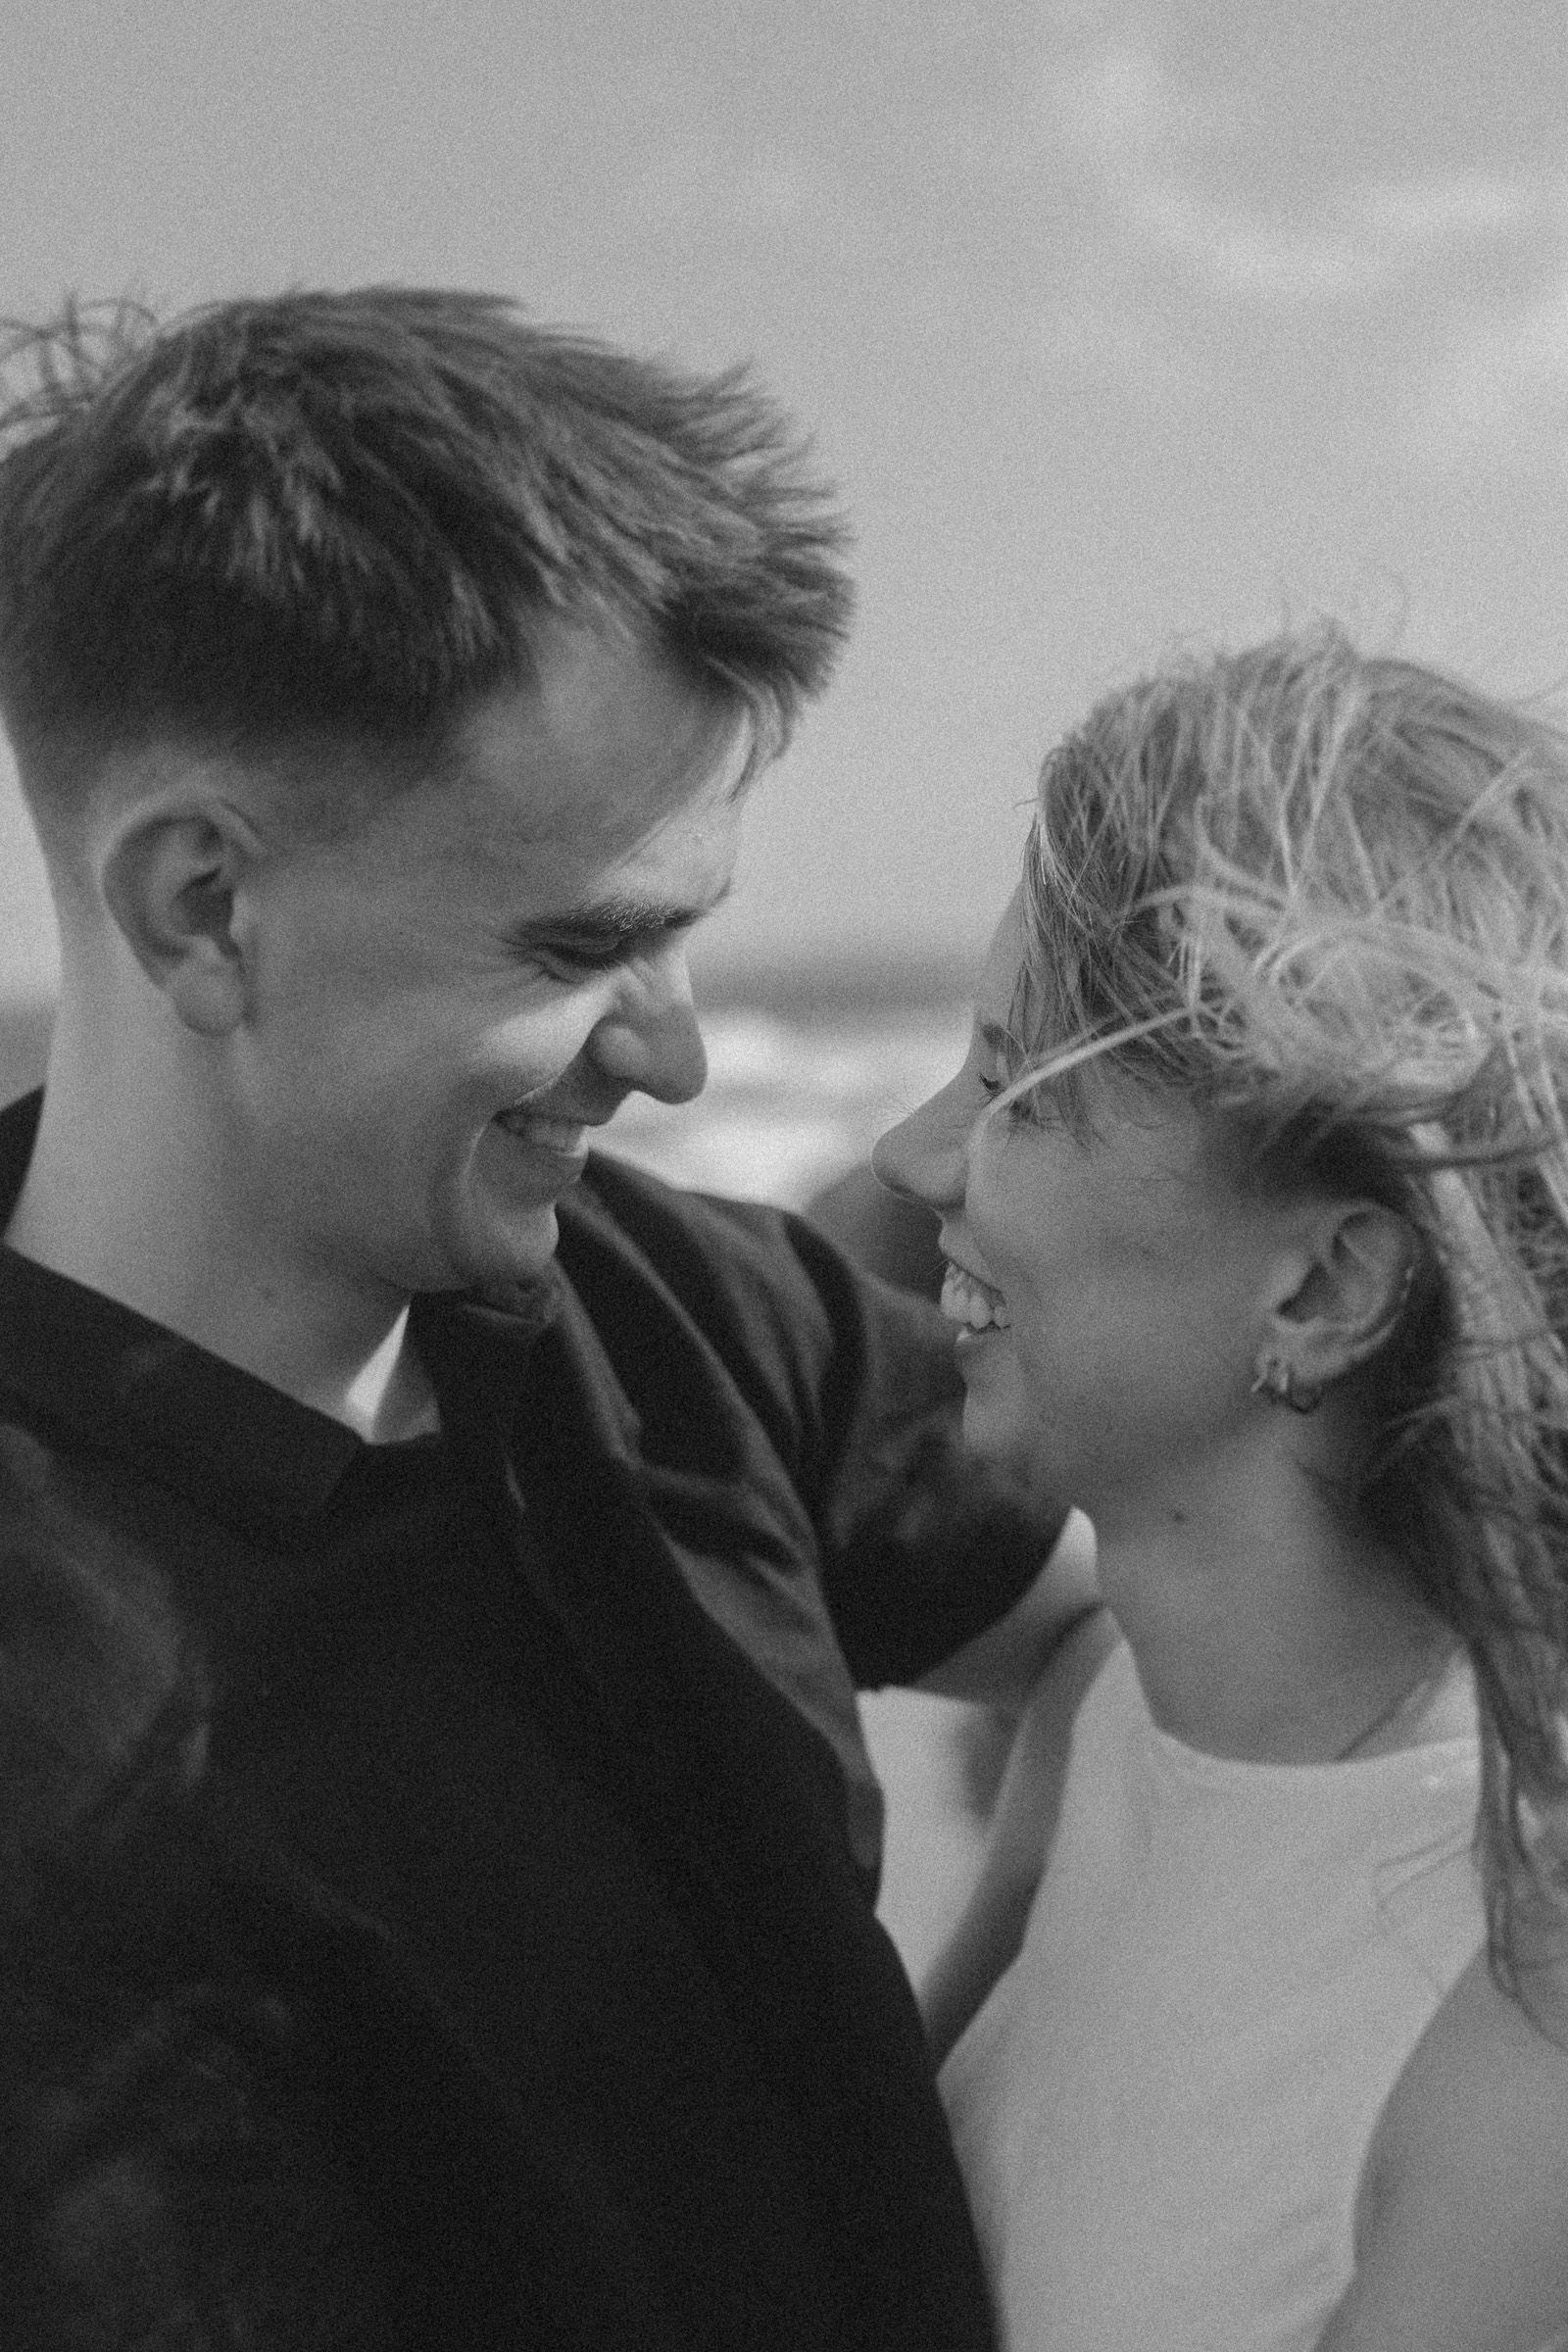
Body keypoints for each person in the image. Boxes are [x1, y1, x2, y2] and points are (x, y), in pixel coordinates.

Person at [0, 289, 1089, 2349]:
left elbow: (1134, 1636)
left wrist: (969, 2087)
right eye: (590, 945)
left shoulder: (662, 1301)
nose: (672, 1062)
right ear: (199, 909)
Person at [873, 626, 1568, 2352]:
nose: (913, 1157)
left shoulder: (1523, 2021)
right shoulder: (1104, 1710)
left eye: (1014, 1088)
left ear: (1325, 1291)